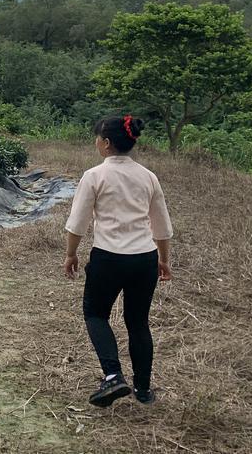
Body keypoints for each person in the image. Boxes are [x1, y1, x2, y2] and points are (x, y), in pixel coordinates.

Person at [63, 114, 173, 407]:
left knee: (95, 314)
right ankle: (144, 389)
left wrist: (71, 254)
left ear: (107, 143)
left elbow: (77, 224)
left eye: (98, 138)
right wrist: (163, 259)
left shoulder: (95, 176)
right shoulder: (148, 176)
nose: (96, 142)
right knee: (138, 323)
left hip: (108, 258)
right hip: (144, 259)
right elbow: (161, 225)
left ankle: (113, 376)